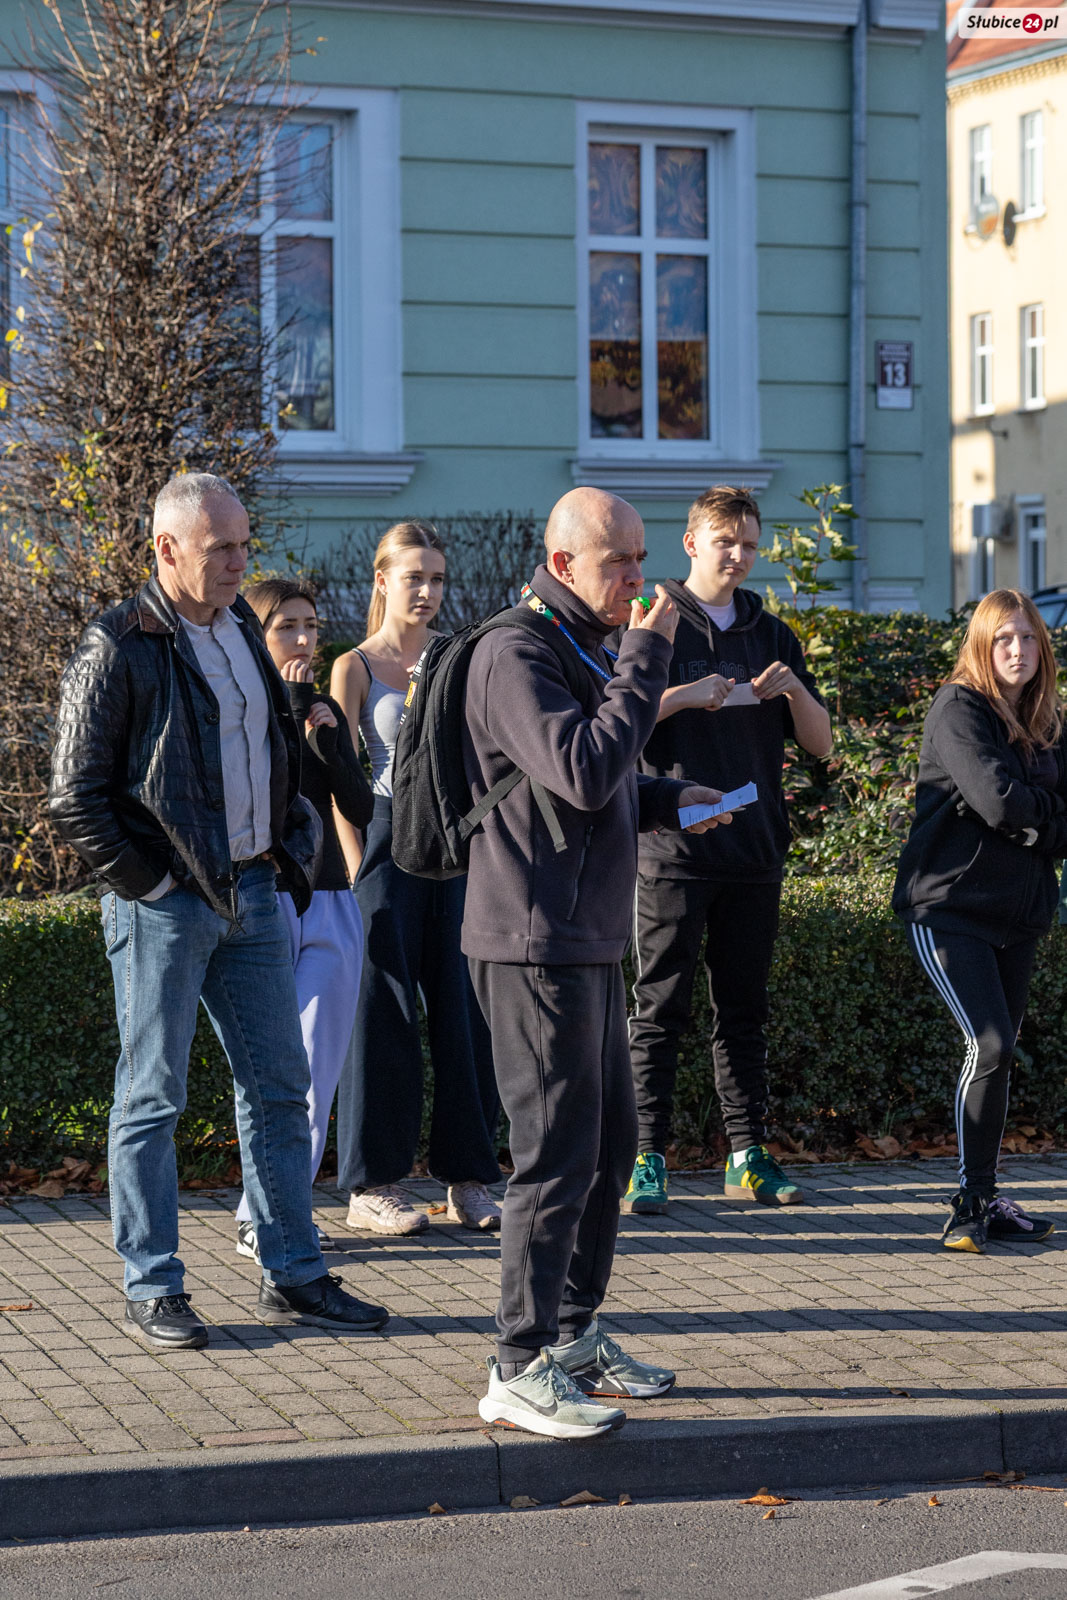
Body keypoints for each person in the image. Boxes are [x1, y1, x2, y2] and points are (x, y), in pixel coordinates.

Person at [49, 473, 389, 1348]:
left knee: (280, 1088)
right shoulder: (117, 643)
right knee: (152, 1097)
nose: (241, 563)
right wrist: (153, 885)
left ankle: (293, 1272)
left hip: (254, 892)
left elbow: (267, 746)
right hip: (165, 905)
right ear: (167, 549)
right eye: (221, 549)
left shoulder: (239, 624)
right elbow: (73, 795)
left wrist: (286, 838)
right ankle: (153, 1284)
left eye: (244, 545)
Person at [462, 485, 730, 1440]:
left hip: (585, 936)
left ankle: (570, 1336)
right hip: (532, 940)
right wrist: (645, 659)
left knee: (609, 1148)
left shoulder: (578, 643)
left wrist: (665, 798)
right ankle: (514, 1363)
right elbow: (577, 768)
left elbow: (595, 778)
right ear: (563, 563)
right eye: (619, 561)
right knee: (553, 1155)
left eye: (641, 557)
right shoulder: (515, 652)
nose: (637, 578)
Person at [622, 485, 832, 1215]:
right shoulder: (653, 622)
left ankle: (747, 1156)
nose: (737, 556)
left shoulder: (771, 633)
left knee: (743, 1012)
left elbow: (821, 744)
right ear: (691, 543)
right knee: (659, 1009)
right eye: (724, 542)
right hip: (673, 853)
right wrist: (685, 695)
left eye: (747, 544)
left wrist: (795, 693)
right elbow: (616, 726)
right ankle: (645, 1156)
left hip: (754, 853)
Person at [330, 522, 502, 1237]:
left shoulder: (456, 658)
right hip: (380, 843)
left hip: (451, 845)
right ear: (382, 581)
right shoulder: (353, 666)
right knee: (383, 1013)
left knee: (465, 1008)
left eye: (437, 579)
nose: (428, 592)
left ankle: (470, 1179)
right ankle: (372, 1186)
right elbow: (337, 778)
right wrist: (354, 868)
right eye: (414, 578)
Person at [893, 588, 1066, 1252]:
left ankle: (988, 1199)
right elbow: (997, 802)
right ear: (981, 647)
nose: (1017, 650)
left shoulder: (1049, 723)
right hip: (949, 908)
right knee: (988, 1043)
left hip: (1019, 916)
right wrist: (1038, 821)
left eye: (1027, 638)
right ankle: (967, 1204)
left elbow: (1025, 813)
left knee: (1000, 1051)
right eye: (1003, 639)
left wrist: (1034, 824)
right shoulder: (959, 707)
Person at [233, 577, 373, 1265]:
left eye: (311, 625)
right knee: (271, 1070)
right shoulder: (238, 704)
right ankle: (260, 1214)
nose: (303, 639)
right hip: (265, 898)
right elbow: (267, 795)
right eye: (286, 626)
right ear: (256, 636)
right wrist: (291, 709)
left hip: (332, 898)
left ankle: (280, 1214)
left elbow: (361, 808)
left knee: (317, 1064)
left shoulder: (323, 708)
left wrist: (333, 742)